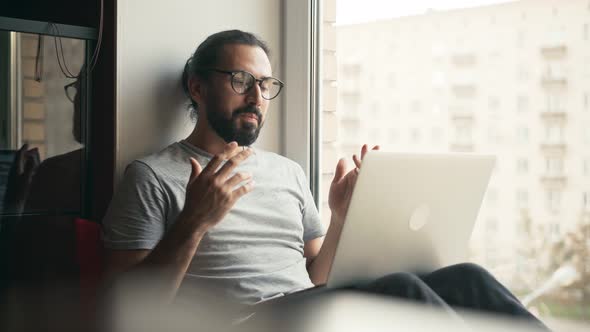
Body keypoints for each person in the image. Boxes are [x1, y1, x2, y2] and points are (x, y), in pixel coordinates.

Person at [101, 30, 548, 330]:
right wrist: (194, 221)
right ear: (197, 88)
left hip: (304, 310)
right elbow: (128, 309)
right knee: (400, 292)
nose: (257, 96)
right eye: (240, 80)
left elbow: (316, 278)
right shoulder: (153, 175)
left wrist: (339, 218)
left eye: (265, 83)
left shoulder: (286, 172)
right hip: (241, 323)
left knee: (466, 277)